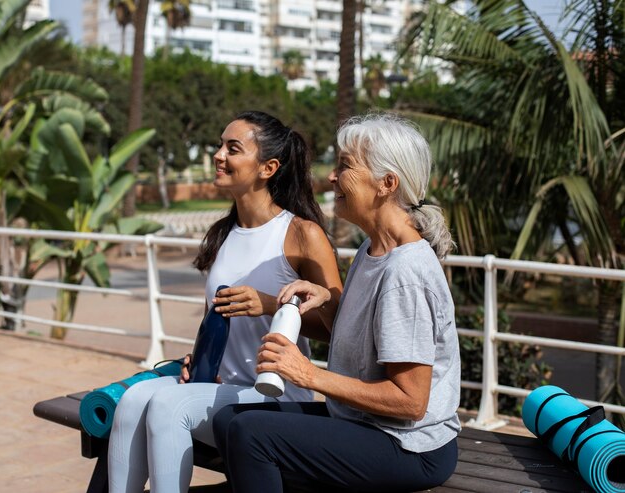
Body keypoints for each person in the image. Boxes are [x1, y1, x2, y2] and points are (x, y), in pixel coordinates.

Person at [212, 114, 461, 493]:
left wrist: (307, 374)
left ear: (386, 184)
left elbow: (411, 402)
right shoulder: (371, 249)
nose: (331, 176)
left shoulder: (405, 272)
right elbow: (363, 342)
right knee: (229, 421)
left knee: (251, 434)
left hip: (410, 446)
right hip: (363, 422)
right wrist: (327, 298)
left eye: (345, 166)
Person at [107, 111, 342, 493]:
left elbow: (339, 327)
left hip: (274, 396)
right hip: (218, 387)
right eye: (220, 145)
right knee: (133, 400)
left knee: (170, 407)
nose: (218, 155)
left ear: (268, 167)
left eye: (232, 148)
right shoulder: (222, 235)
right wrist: (196, 361)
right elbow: (213, 326)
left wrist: (270, 304)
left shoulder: (302, 233)